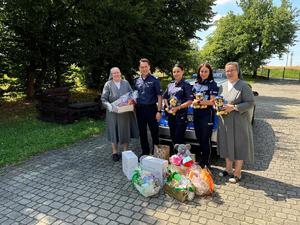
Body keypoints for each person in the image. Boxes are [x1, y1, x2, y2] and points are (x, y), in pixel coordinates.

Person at [217, 62, 255, 183]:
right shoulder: (222, 86)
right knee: (227, 144)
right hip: (225, 121)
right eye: (227, 71)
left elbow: (250, 103)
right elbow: (219, 101)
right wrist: (217, 107)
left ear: (237, 71)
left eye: (232, 70)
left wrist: (233, 107)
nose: (229, 73)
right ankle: (228, 169)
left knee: (239, 146)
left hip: (239, 122)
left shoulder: (244, 86)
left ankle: (237, 173)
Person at [101, 67, 139, 162]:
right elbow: (103, 99)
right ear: (111, 75)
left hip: (125, 112)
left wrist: (132, 100)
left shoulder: (125, 83)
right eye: (114, 73)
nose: (116, 74)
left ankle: (125, 151)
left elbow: (131, 95)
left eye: (117, 72)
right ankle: (115, 152)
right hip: (113, 113)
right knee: (114, 131)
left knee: (125, 130)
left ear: (120, 73)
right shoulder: (108, 84)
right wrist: (110, 106)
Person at [134, 58, 163, 155]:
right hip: (140, 110)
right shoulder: (136, 80)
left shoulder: (154, 80)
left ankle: (156, 153)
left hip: (152, 109)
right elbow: (134, 95)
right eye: (142, 67)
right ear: (139, 68)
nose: (144, 69)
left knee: (154, 132)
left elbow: (159, 96)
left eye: (146, 67)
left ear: (149, 67)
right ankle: (145, 152)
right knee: (142, 133)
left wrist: (159, 111)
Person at [192, 63, 218, 168]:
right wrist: (194, 101)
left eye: (206, 71)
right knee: (198, 137)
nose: (203, 73)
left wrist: (200, 102)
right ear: (199, 72)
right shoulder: (196, 83)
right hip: (196, 113)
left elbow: (212, 102)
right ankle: (202, 159)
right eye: (201, 71)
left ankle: (206, 162)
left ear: (209, 72)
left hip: (207, 114)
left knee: (205, 138)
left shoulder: (212, 84)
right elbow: (193, 97)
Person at [163, 64, 193, 153]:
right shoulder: (170, 84)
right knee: (172, 136)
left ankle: (181, 159)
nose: (176, 73)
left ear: (182, 72)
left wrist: (178, 107)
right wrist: (167, 106)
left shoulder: (186, 85)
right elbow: (165, 97)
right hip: (171, 115)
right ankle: (175, 157)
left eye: (178, 71)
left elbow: (190, 101)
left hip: (181, 115)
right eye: (174, 72)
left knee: (179, 137)